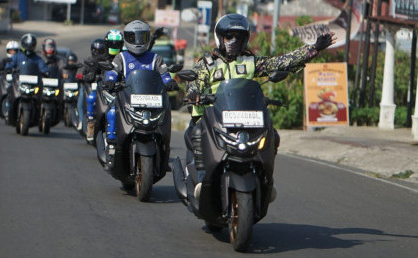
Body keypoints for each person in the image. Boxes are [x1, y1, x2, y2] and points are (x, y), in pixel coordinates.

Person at [185, 13, 336, 201]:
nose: (234, 41)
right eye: (229, 36)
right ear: (220, 38)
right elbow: (193, 84)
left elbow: (281, 62)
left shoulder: (251, 62)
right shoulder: (206, 64)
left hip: (245, 118)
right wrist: (194, 94)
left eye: (238, 37)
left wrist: (314, 49)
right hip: (214, 117)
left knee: (273, 135)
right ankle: (201, 182)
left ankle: (265, 180)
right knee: (197, 134)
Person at [103, 20, 179, 145]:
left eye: (141, 37)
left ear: (148, 37)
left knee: (164, 115)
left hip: (151, 100)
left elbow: (164, 74)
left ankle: (162, 145)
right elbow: (113, 72)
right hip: (128, 98)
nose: (138, 42)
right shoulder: (121, 57)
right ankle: (112, 141)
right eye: (133, 37)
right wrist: (110, 81)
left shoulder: (156, 58)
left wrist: (169, 82)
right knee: (112, 112)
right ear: (126, 38)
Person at [0, 40, 20, 114]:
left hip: (17, 81)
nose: (13, 53)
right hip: (7, 81)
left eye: (15, 51)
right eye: (11, 51)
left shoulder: (20, 60)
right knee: (0, 89)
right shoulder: (5, 61)